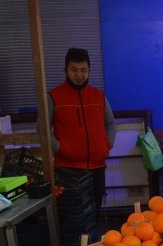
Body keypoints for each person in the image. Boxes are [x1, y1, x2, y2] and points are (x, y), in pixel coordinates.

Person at [46, 48, 116, 214]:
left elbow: (111, 123)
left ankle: (94, 239)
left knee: (95, 210)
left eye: (83, 70)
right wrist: (59, 148)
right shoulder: (53, 97)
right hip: (67, 169)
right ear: (66, 71)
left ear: (89, 71)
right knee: (71, 214)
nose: (79, 74)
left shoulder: (98, 96)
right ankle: (75, 241)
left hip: (97, 168)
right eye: (74, 70)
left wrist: (107, 144)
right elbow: (43, 129)